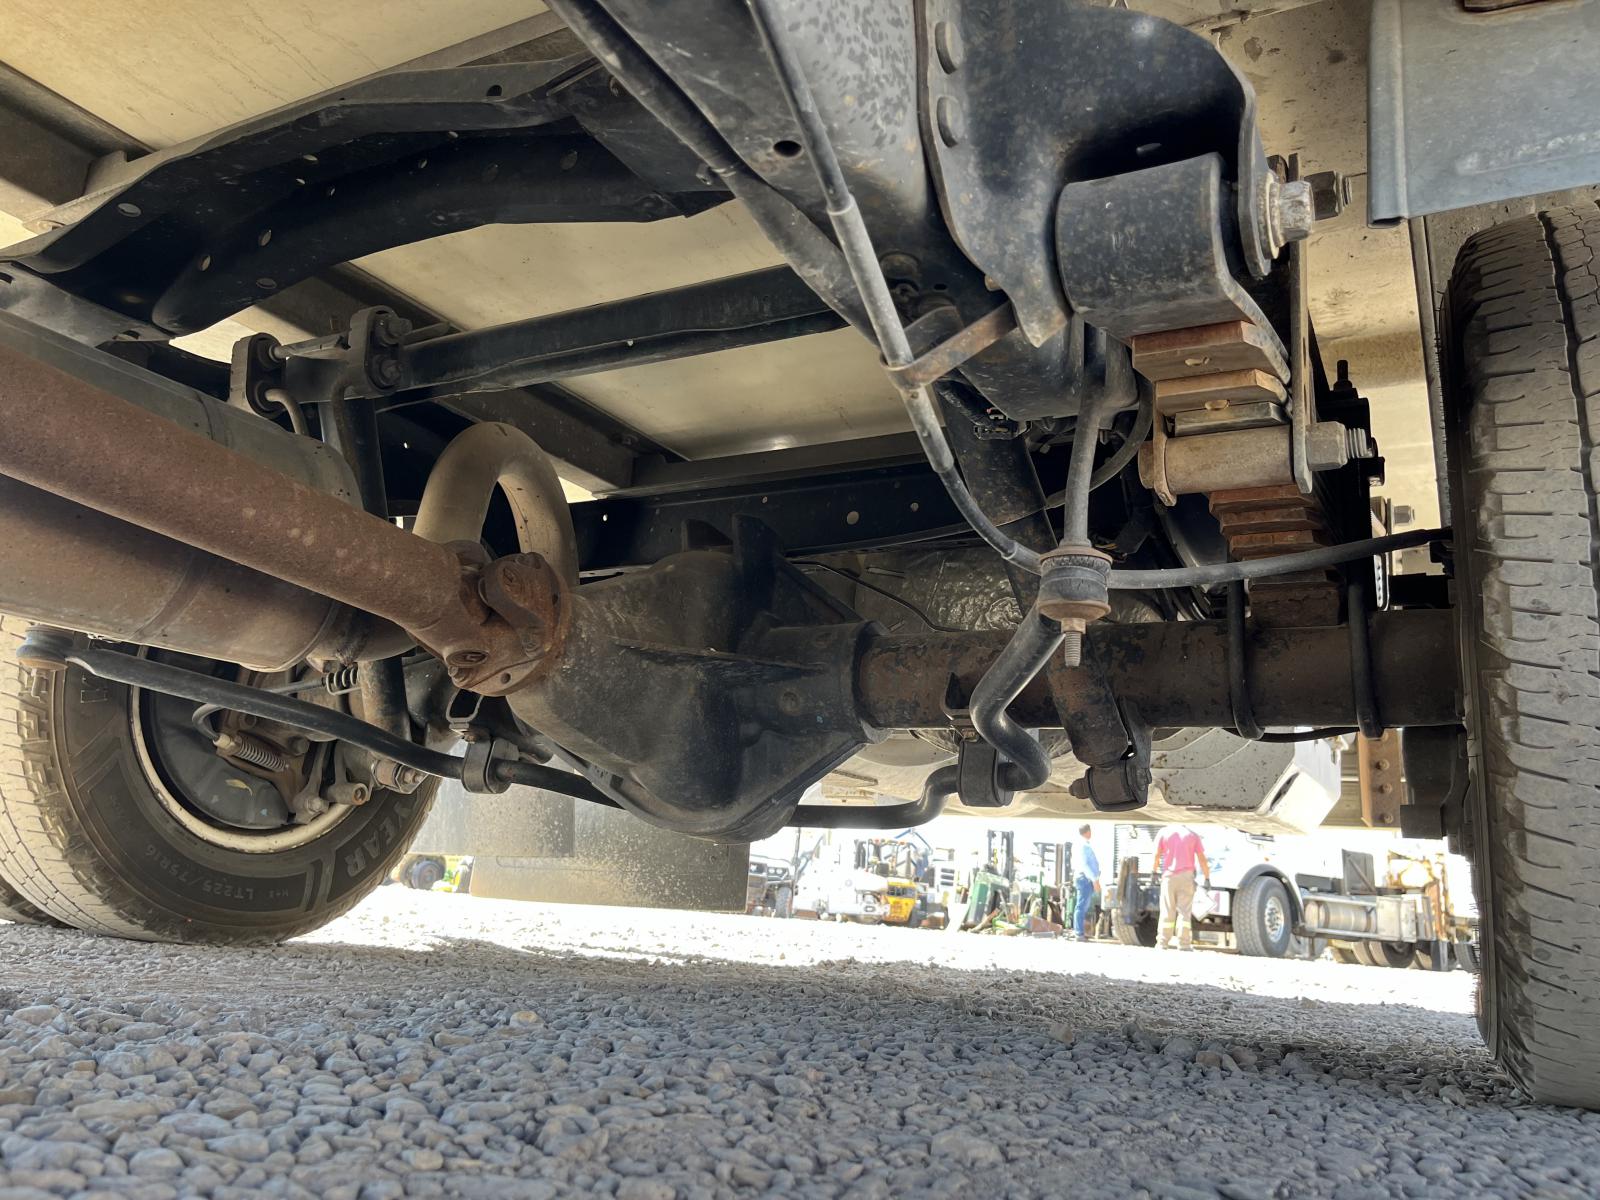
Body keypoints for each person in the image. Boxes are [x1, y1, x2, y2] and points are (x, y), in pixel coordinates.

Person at [1155, 824, 1210, 950]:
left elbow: (1157, 854)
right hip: (1186, 877)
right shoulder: (1192, 835)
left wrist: (1153, 871)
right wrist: (1207, 877)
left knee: (1167, 910)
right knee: (1184, 912)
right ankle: (1184, 944)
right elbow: (1202, 859)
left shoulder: (1164, 832)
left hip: (1168, 877)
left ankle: (1162, 942)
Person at [1072, 824, 1100, 942]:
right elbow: (1085, 865)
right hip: (1085, 878)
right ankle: (1079, 933)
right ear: (1087, 831)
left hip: (1084, 878)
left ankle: (1080, 932)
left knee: (1082, 905)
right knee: (1082, 906)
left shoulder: (1082, 845)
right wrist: (1094, 880)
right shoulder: (1084, 846)